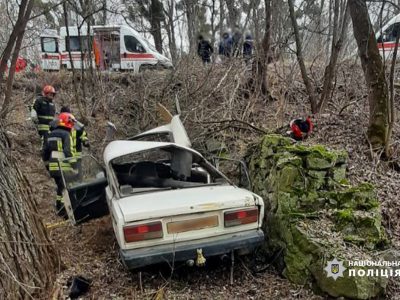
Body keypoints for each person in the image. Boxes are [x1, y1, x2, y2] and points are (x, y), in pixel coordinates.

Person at [43, 112, 77, 216]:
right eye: (70, 122)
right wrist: (74, 165)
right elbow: (68, 151)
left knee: (60, 187)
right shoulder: (66, 134)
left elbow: (44, 153)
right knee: (65, 188)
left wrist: (48, 166)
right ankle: (63, 211)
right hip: (63, 166)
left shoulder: (50, 134)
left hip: (53, 167)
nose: (72, 124)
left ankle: (59, 207)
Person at [31, 85, 57, 151]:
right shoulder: (39, 101)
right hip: (42, 124)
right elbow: (33, 108)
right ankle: (43, 151)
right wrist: (34, 117)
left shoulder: (52, 104)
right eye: (50, 93)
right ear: (46, 93)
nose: (51, 95)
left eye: (53, 94)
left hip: (51, 125)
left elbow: (53, 115)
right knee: (45, 137)